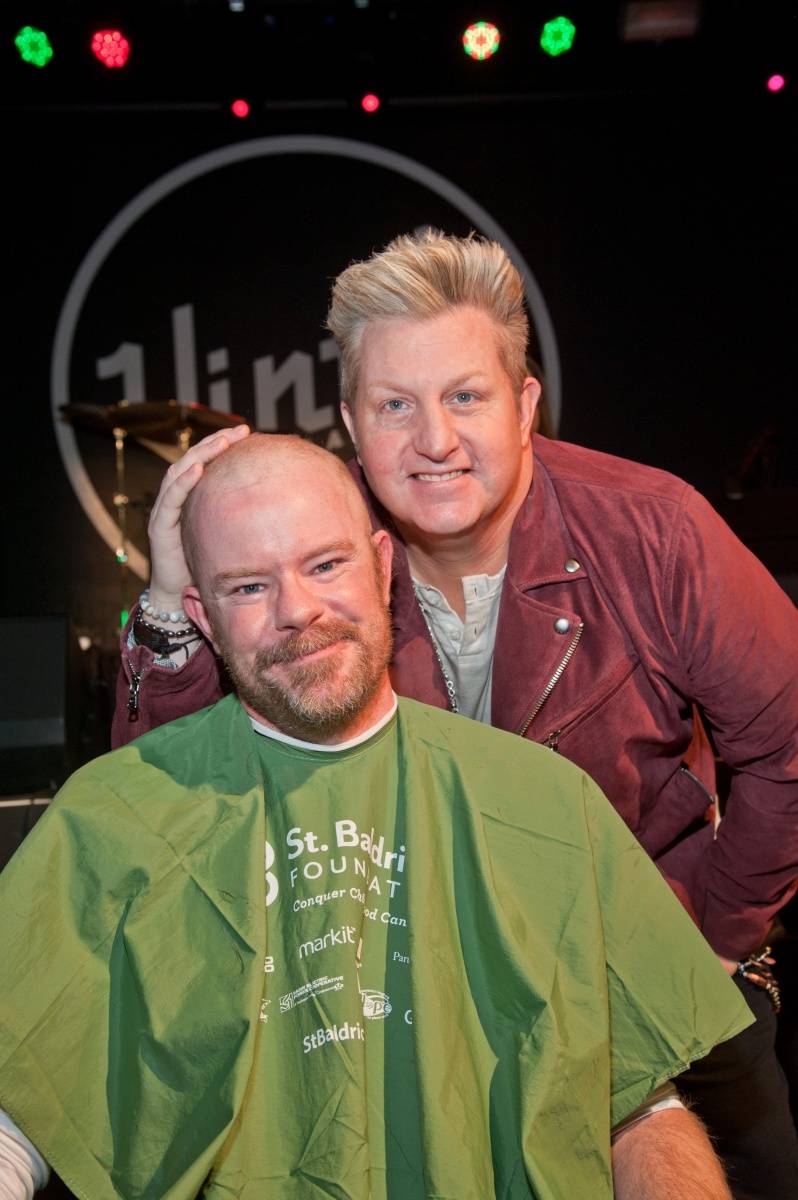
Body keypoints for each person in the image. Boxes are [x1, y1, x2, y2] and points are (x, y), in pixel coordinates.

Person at [114, 231, 798, 1199]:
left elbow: (789, 744)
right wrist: (166, 602)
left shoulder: (656, 530)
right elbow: (166, 816)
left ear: (524, 406)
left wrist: (711, 935)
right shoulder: (319, 552)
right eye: (396, 404)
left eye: (466, 397)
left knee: (756, 1167)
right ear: (351, 422)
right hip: (419, 991)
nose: (433, 440)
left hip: (640, 960)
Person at [0, 435, 750, 1200]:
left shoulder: (547, 805)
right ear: (203, 614)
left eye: (326, 565)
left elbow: (642, 1107)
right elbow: (13, 1114)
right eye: (249, 588)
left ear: (383, 565)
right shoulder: (116, 815)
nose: (298, 611)